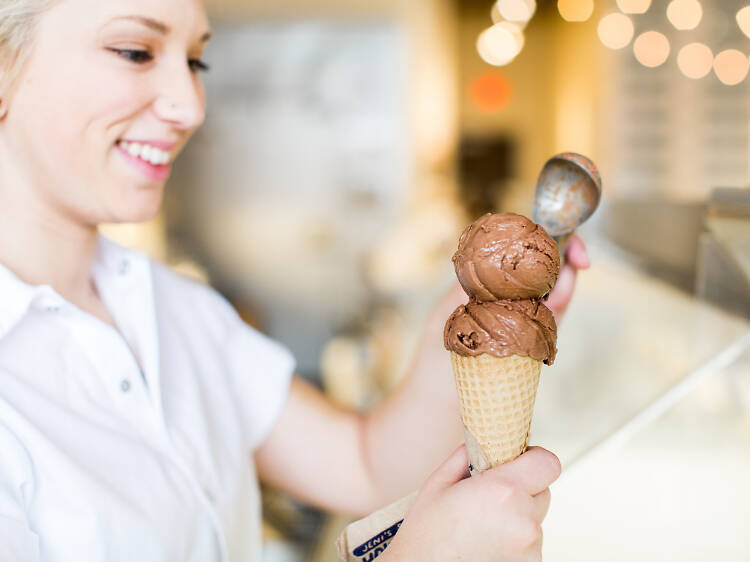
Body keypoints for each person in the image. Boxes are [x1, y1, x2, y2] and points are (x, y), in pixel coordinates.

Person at [0, 1, 590, 561]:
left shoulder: (172, 306)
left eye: (195, 61)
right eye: (135, 51)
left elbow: (364, 465)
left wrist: (478, 307)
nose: (190, 105)